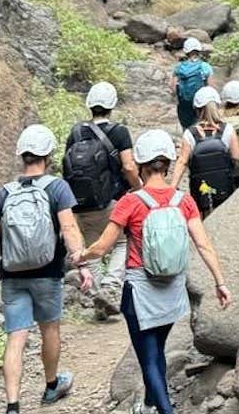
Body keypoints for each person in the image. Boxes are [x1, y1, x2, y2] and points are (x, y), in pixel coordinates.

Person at [75, 129, 232, 414]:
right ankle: (149, 403)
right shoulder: (183, 201)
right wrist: (220, 282)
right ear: (168, 164)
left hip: (140, 290)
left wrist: (81, 257)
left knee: (149, 358)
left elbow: (102, 247)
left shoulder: (131, 202)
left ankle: (165, 410)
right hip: (172, 289)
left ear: (140, 164)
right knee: (156, 350)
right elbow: (204, 244)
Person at [0, 125, 90, 413]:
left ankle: (12, 405)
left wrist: (16, 254)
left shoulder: (4, 193)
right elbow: (69, 228)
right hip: (47, 273)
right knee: (50, 328)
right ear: (48, 155)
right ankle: (51, 385)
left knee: (15, 337)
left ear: (22, 156)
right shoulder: (57, 188)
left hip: (12, 276)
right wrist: (81, 263)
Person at [63, 82, 142, 317]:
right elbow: (129, 166)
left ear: (89, 105)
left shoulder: (76, 132)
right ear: (112, 105)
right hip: (112, 202)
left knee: (92, 249)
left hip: (81, 204)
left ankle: (97, 298)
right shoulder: (119, 132)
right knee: (123, 242)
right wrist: (138, 188)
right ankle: (110, 286)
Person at [173, 86, 239, 215]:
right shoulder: (228, 129)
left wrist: (172, 188)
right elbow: (236, 156)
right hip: (224, 188)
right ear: (217, 106)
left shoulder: (190, 134)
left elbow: (182, 162)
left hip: (199, 191)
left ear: (197, 109)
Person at [170, 38, 216, 130]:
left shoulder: (179, 67)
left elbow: (173, 89)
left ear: (186, 51)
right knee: (201, 129)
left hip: (184, 105)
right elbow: (210, 88)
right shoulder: (205, 67)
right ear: (199, 50)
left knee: (187, 129)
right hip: (201, 104)